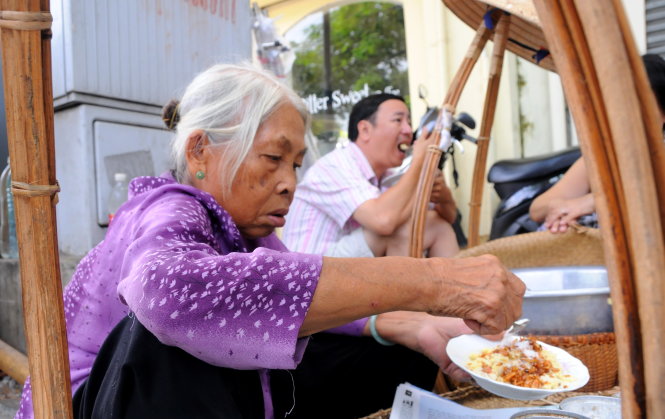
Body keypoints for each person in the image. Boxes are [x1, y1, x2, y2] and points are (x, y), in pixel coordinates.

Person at [16, 64, 524, 419]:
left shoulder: (241, 232)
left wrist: (409, 322)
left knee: (374, 339)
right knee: (179, 319)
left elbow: (303, 291)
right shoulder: (167, 209)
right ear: (200, 151)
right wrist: (432, 281)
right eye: (273, 158)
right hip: (99, 406)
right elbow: (168, 293)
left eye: (296, 164)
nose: (289, 182)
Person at [282, 93, 460, 258]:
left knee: (434, 223)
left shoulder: (388, 176)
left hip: (338, 267)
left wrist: (443, 196)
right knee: (397, 230)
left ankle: (451, 287)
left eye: (409, 121)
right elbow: (383, 221)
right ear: (365, 130)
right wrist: (420, 159)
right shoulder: (335, 166)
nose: (408, 130)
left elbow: (447, 218)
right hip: (309, 274)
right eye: (398, 120)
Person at [529, 53, 665, 233]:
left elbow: (650, 192)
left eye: (640, 106)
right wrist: (562, 207)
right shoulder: (600, 159)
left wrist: (594, 201)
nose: (627, 116)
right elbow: (537, 209)